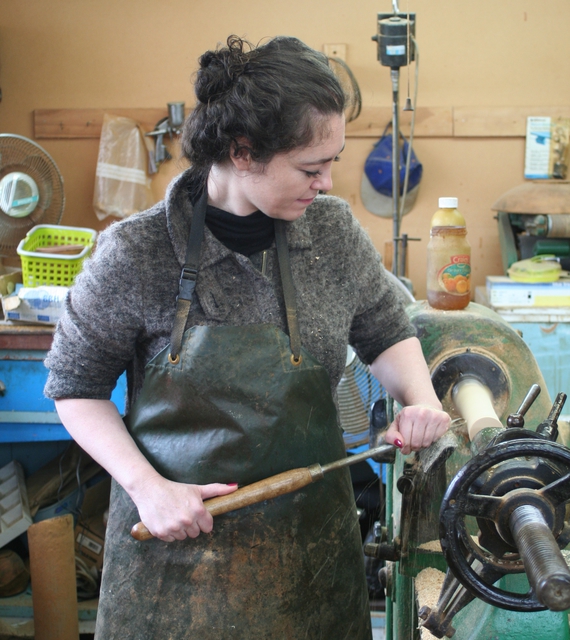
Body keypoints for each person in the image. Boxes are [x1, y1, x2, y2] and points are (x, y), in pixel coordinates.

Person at [44, 35, 450, 640]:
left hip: (309, 561)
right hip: (171, 554)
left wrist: (420, 400)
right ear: (241, 151)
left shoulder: (332, 234)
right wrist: (148, 488)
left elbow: (385, 329)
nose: (327, 183)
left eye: (332, 162)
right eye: (310, 168)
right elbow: (75, 387)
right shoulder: (135, 252)